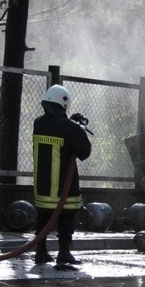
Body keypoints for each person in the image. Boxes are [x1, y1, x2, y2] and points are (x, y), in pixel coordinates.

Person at [33, 84, 92, 270]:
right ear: (64, 103)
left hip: (42, 187)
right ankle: (64, 254)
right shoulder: (70, 128)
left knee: (43, 218)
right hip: (64, 188)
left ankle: (40, 252)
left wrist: (71, 124)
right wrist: (78, 127)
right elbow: (84, 152)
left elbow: (56, 126)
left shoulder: (38, 123)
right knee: (67, 217)